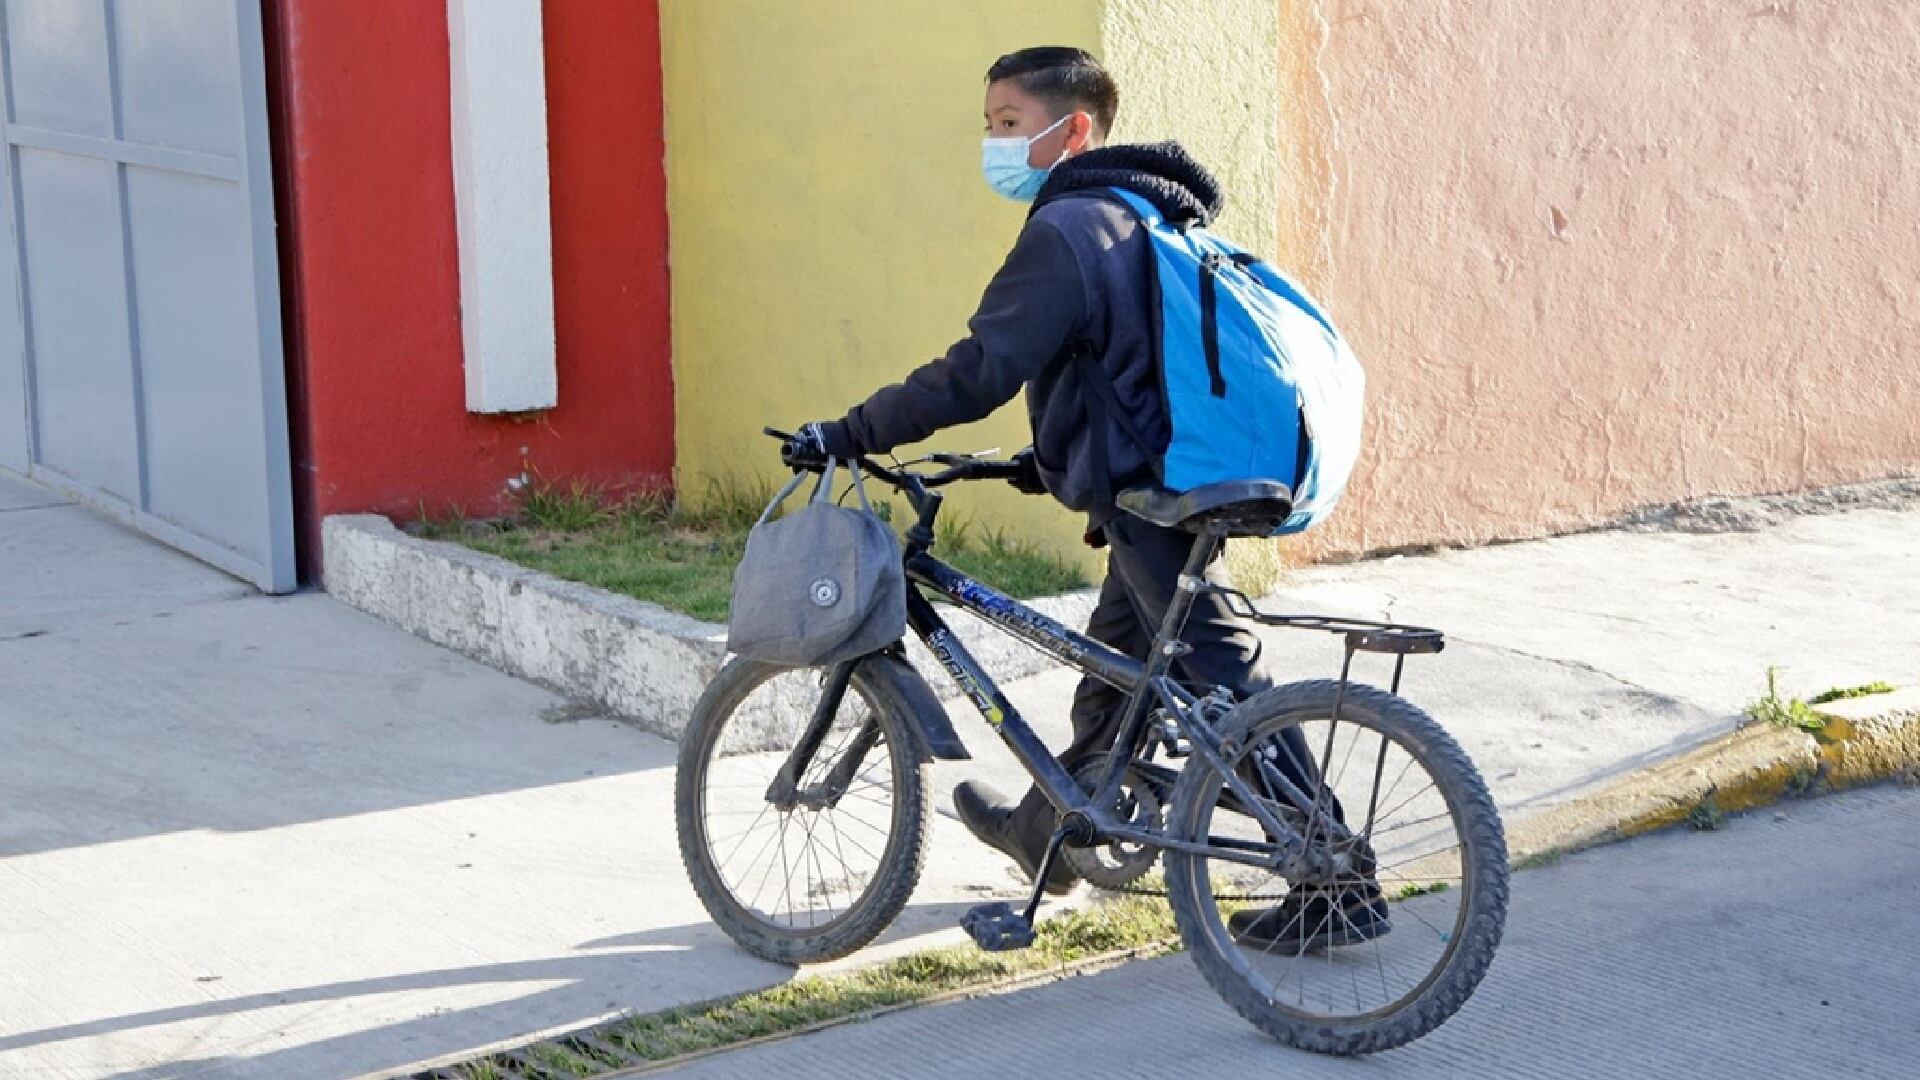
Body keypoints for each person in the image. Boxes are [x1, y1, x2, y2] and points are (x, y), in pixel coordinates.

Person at [782, 46, 1386, 949]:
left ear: (1074, 131)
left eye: (1010, 125)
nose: (993, 142)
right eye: (988, 123)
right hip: (1174, 480)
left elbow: (980, 369)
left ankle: (1334, 874)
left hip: (1160, 493)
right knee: (1118, 669)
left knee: (1218, 678)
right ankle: (1051, 832)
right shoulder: (1140, 216)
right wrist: (1049, 459)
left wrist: (851, 430)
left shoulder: (1067, 230)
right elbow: (1127, 370)